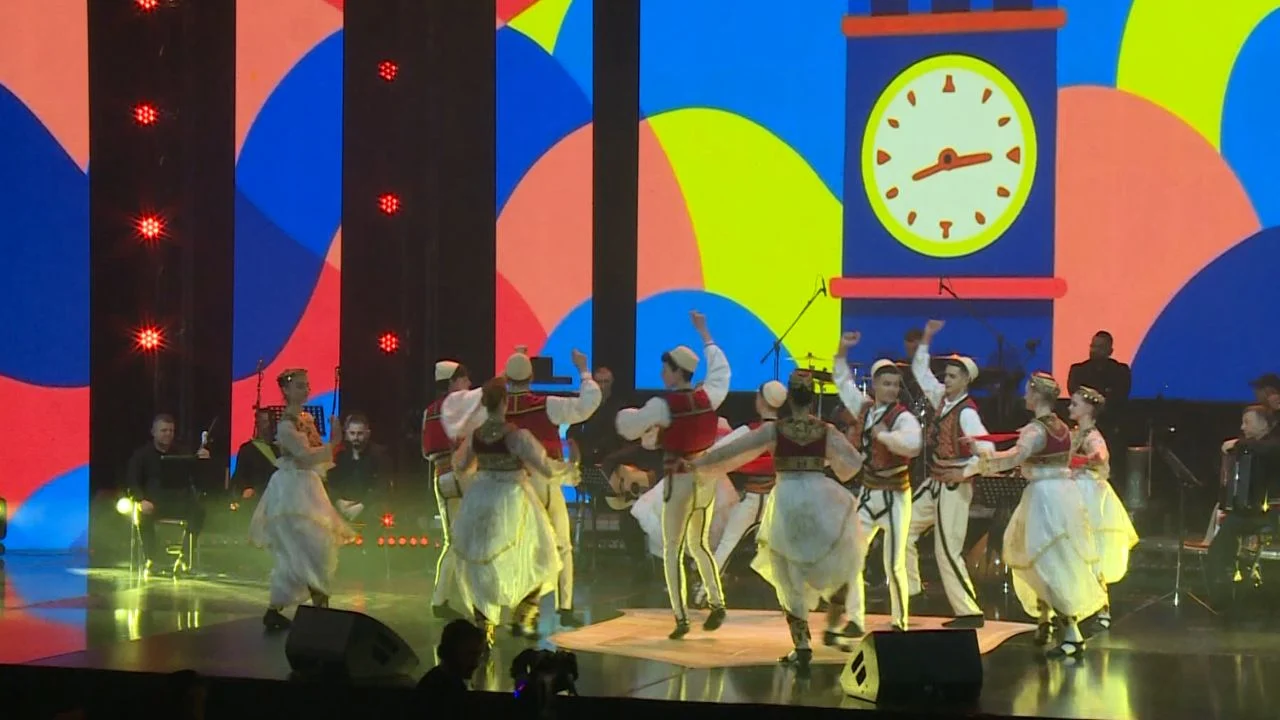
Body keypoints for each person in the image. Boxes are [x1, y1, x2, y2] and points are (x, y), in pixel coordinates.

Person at [689, 373, 863, 670]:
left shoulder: (774, 430)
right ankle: (833, 624)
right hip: (821, 498)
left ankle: (802, 645)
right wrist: (823, 461)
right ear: (812, 399)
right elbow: (853, 463)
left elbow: (734, 451)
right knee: (832, 563)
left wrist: (698, 463)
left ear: (789, 399)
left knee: (788, 574)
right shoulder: (826, 430)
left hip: (786, 501)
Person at [966, 372, 1106, 660]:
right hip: (1061, 495)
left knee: (1047, 562)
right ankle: (1046, 621)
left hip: (1044, 498)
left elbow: (1014, 457)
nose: (1025, 397)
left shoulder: (1036, 429)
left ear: (1037, 396)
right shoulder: (1061, 427)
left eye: (1028, 393)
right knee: (1047, 560)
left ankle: (1071, 633)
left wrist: (979, 458)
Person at [616, 310, 731, 639]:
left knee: (672, 548)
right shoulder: (708, 396)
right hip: (705, 480)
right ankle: (717, 602)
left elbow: (630, 428)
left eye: (665, 368)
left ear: (675, 371)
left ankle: (681, 617)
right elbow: (721, 370)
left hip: (679, 481)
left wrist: (639, 424)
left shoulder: (663, 406)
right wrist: (705, 333)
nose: (661, 373)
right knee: (699, 543)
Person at [450, 377, 565, 647]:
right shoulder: (515, 435)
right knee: (540, 554)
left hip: (480, 498)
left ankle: (484, 622)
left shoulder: (476, 436)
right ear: (505, 402)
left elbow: (462, 466)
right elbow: (544, 467)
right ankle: (524, 612)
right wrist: (568, 469)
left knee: (481, 560)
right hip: (512, 497)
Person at [500, 347, 601, 627]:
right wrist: (584, 370)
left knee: (522, 547)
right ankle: (564, 607)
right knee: (562, 545)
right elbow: (587, 404)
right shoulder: (545, 404)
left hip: (512, 484)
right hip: (544, 481)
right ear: (531, 377)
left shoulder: (497, 410)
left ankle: (521, 610)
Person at [249, 368, 355, 631]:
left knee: (316, 545)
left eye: (306, 385)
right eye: (299, 386)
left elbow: (316, 455)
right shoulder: (286, 425)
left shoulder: (306, 418)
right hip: (291, 490)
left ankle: (312, 605)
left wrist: (330, 443)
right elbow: (305, 455)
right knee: (301, 548)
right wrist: (334, 443)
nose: (305, 390)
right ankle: (302, 607)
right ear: (285, 390)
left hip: (309, 487)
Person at [905, 319, 994, 628]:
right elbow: (920, 371)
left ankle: (969, 611)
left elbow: (988, 452)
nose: (947, 379)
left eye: (953, 376)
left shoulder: (967, 413)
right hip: (935, 482)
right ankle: (913, 591)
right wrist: (927, 337)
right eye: (946, 375)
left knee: (947, 549)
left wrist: (965, 472)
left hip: (954, 486)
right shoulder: (942, 399)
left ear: (966, 381)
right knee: (902, 530)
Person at [833, 333, 922, 635]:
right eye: (886, 384)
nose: (892, 389)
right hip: (869, 493)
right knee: (853, 556)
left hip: (896, 496)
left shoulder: (903, 417)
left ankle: (900, 622)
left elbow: (912, 445)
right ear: (874, 385)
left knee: (894, 563)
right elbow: (842, 380)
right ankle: (855, 619)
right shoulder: (865, 409)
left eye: (895, 384)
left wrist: (884, 436)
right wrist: (842, 349)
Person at [692, 380, 789, 609]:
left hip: (754, 497)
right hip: (777, 500)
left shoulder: (751, 430)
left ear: (761, 401)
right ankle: (795, 600)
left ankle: (705, 595)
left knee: (726, 547)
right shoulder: (789, 432)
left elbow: (718, 452)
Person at [1068, 386, 1139, 630]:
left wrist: (1079, 460)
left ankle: (1101, 608)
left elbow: (1100, 456)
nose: (1070, 407)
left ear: (1088, 409)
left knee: (1091, 548)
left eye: (1075, 404)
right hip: (1076, 492)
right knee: (1077, 550)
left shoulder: (1093, 437)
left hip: (1090, 495)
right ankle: (1081, 604)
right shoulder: (1077, 433)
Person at [423, 360, 486, 619]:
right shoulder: (462, 405)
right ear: (453, 382)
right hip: (465, 475)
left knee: (452, 541)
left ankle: (440, 599)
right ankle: (479, 603)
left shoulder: (429, 411)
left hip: (441, 476)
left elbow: (426, 451)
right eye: (464, 379)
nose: (468, 383)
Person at [1207, 405, 1280, 600]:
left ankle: (1232, 591)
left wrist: (1238, 443)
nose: (1242, 427)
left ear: (1263, 424)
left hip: (1273, 514)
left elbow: (1270, 449)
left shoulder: (1271, 443)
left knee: (1231, 532)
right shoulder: (1250, 447)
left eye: (1247, 422)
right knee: (1223, 539)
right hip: (1250, 512)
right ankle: (1225, 588)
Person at [125, 414, 212, 575]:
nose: (168, 434)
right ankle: (152, 559)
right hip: (152, 503)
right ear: (153, 432)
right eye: (164, 430)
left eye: (171, 430)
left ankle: (185, 557)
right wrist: (140, 500)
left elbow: (197, 477)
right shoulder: (142, 455)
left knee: (199, 510)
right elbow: (132, 481)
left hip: (177, 502)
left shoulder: (182, 452)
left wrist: (202, 461)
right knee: (142, 513)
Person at [1067, 331, 1132, 489]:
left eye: (1100, 347)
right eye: (1093, 346)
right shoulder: (1079, 370)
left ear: (1110, 350)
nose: (1094, 350)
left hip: (1111, 426)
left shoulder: (1120, 371)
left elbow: (1119, 396)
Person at [328, 413, 394, 521]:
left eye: (360, 434)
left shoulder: (379, 454)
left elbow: (382, 487)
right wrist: (338, 502)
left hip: (369, 506)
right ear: (347, 434)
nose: (355, 437)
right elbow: (331, 483)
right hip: (343, 504)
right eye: (352, 433)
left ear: (368, 434)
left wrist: (361, 506)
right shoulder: (340, 455)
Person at [416, 619, 486, 706]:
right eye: (470, 654)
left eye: (478, 655)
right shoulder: (448, 691)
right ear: (451, 652)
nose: (476, 663)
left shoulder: (433, 681)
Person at [232, 409, 278, 500]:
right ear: (257, 424)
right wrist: (246, 489)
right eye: (265, 422)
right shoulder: (247, 450)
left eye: (271, 422)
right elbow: (239, 477)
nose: (269, 425)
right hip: (257, 499)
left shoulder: (279, 449)